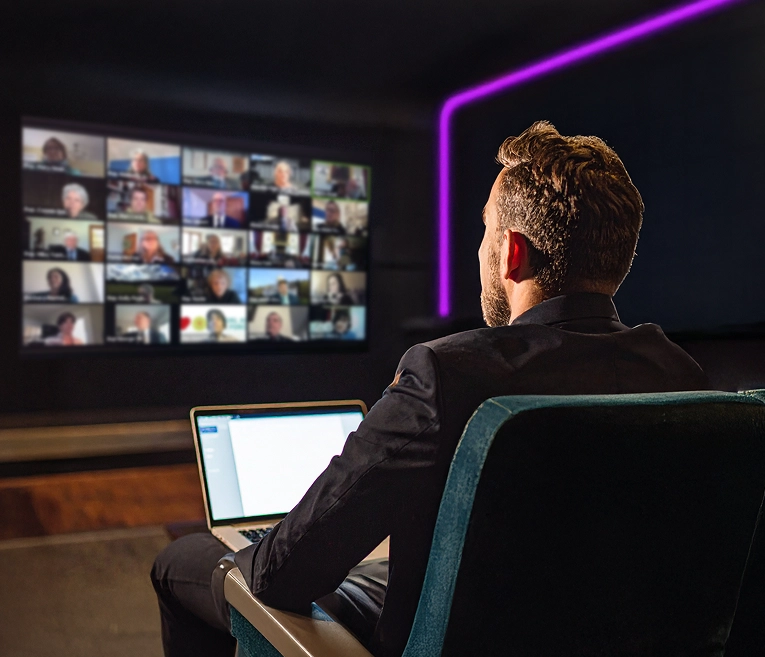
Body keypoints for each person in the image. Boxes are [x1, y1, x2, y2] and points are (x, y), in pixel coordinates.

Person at [151, 121, 711, 657]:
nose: (479, 250)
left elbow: (283, 572)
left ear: (511, 252)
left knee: (185, 560)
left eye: (486, 229)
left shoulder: (447, 373)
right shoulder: (679, 376)